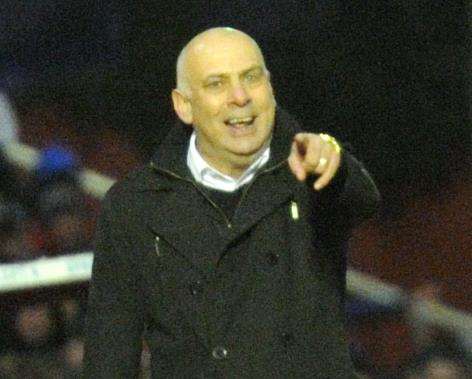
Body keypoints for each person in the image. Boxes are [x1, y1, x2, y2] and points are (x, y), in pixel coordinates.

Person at [83, 27, 381, 378]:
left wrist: (335, 160)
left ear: (270, 87)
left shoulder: (311, 174)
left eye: (251, 78)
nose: (240, 97)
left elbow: (361, 200)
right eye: (217, 84)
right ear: (184, 105)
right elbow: (109, 353)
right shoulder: (133, 205)